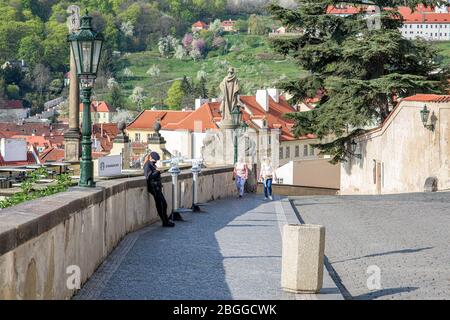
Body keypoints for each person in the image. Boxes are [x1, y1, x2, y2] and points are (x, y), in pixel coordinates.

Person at [144, 151, 175, 227]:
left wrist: (158, 172)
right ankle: (165, 221)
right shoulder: (147, 165)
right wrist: (158, 172)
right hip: (154, 188)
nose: (156, 161)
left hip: (157, 187)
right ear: (151, 157)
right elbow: (149, 177)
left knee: (162, 204)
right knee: (161, 204)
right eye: (155, 159)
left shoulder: (152, 164)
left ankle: (165, 221)